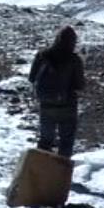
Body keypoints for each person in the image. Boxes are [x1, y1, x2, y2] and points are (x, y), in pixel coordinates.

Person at [29, 26, 85, 158]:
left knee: (45, 140)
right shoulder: (74, 59)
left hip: (46, 105)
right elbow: (79, 85)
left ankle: (39, 172)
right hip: (68, 106)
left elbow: (32, 78)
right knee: (66, 141)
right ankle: (61, 175)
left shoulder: (42, 55)